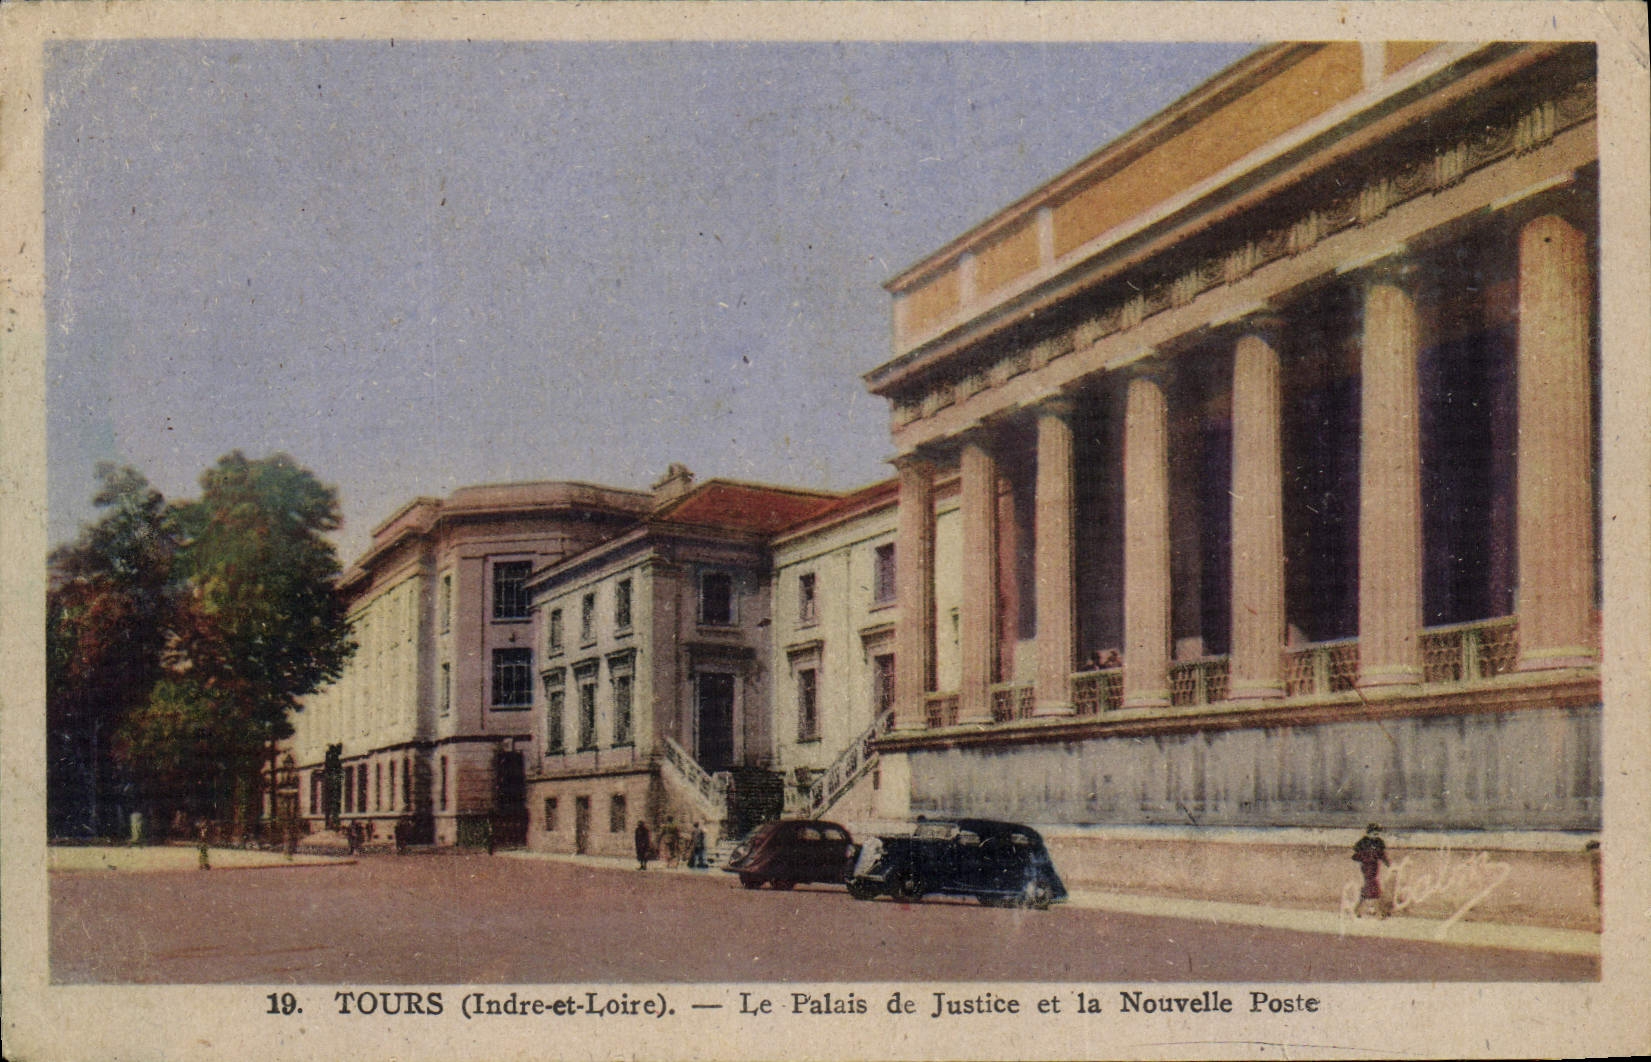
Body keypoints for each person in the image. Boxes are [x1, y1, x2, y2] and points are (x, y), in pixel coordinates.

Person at [1352, 824, 1391, 918]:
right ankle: (1380, 912)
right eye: (1374, 834)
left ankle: (1357, 910)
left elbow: (1382, 855)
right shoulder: (1363, 842)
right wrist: (1366, 858)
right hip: (1367, 869)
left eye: (1377, 834)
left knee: (1367, 891)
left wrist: (1388, 864)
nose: (1376, 836)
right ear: (1369, 833)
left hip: (1373, 869)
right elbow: (1356, 855)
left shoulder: (1378, 842)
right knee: (1374, 890)